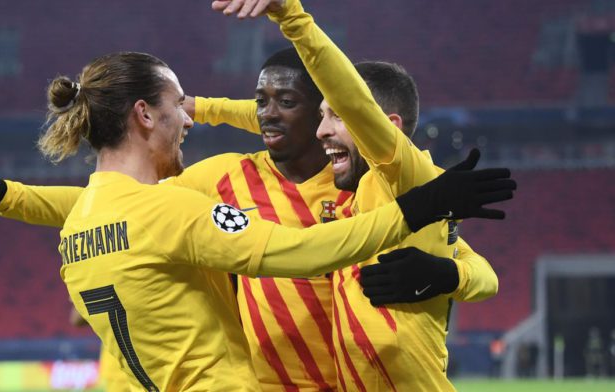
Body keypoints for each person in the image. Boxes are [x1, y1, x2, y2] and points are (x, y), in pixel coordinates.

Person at [0, 50, 514, 390]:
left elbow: (475, 268)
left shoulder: (370, 184)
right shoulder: (221, 181)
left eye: (285, 102)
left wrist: (450, 276)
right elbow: (298, 249)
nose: (265, 112)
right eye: (259, 101)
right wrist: (9, 195)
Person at [215, 0, 511, 389]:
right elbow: (486, 275)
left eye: (336, 117)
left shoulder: (410, 175)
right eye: (322, 116)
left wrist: (291, 16)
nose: (321, 131)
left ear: (388, 127)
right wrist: (450, 273)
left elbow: (353, 99)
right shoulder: (358, 197)